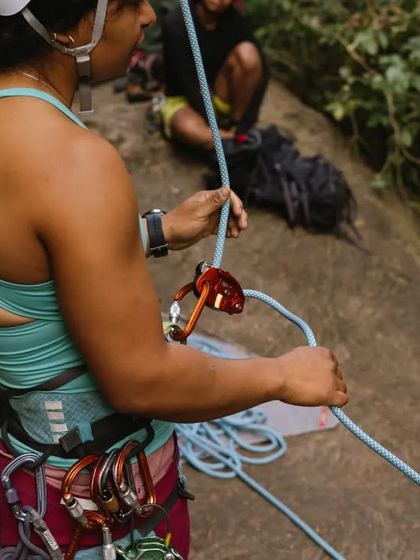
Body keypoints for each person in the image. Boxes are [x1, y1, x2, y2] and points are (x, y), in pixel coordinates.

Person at [0, 0, 348, 558]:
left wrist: (152, 231)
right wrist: (282, 377)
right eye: (128, 2)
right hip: (94, 509)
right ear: (67, 27)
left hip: (26, 483)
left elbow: (28, 256)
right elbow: (140, 380)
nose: (145, 16)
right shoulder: (74, 162)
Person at [161, 0, 269, 150]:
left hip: (219, 96)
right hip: (186, 100)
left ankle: (232, 134)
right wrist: (213, 125)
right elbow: (190, 84)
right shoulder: (177, 23)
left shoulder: (235, 22)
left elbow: (261, 72)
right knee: (188, 129)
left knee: (248, 53)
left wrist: (243, 123)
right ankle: (233, 141)